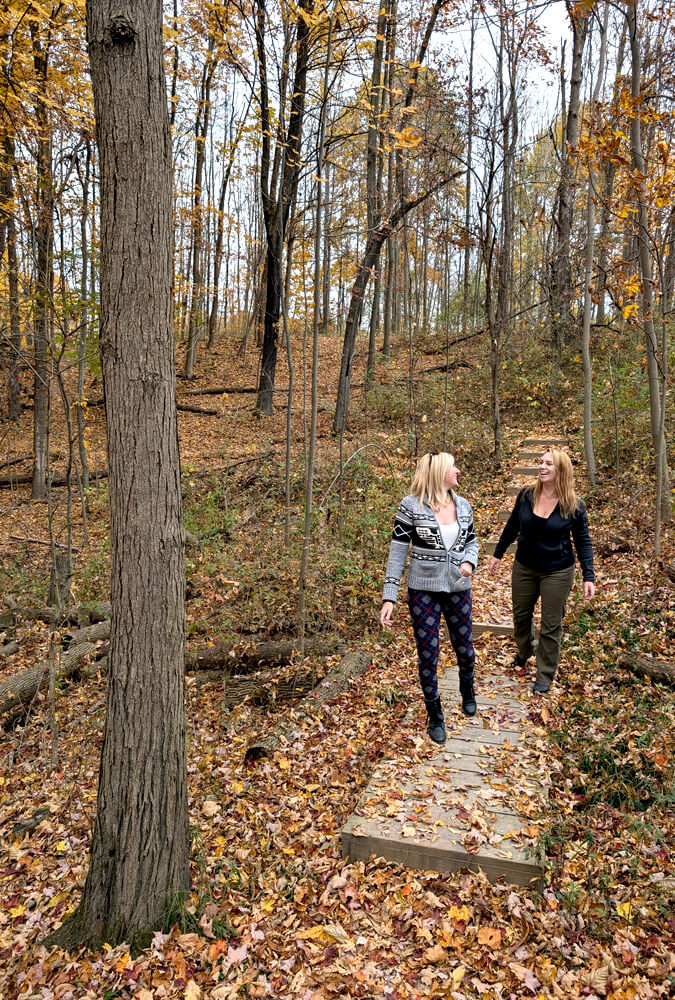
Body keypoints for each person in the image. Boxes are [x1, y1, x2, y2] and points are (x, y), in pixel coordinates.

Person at [380, 452, 479, 744]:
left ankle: (467, 686)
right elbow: (397, 552)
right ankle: (434, 712)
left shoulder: (463, 506)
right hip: (422, 590)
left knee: (465, 649)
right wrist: (389, 597)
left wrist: (469, 563)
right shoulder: (410, 507)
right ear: (439, 474)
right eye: (453, 468)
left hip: (458, 588)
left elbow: (471, 542)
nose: (459, 471)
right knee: (428, 653)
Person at [488, 448, 595, 694]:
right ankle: (525, 651)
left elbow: (583, 541)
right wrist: (498, 553)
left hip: (557, 570)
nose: (542, 467)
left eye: (549, 463)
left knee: (550, 624)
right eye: (541, 462)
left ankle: (545, 673)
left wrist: (588, 575)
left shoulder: (573, 505)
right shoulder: (526, 495)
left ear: (561, 470)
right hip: (524, 566)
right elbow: (512, 524)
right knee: (520, 616)